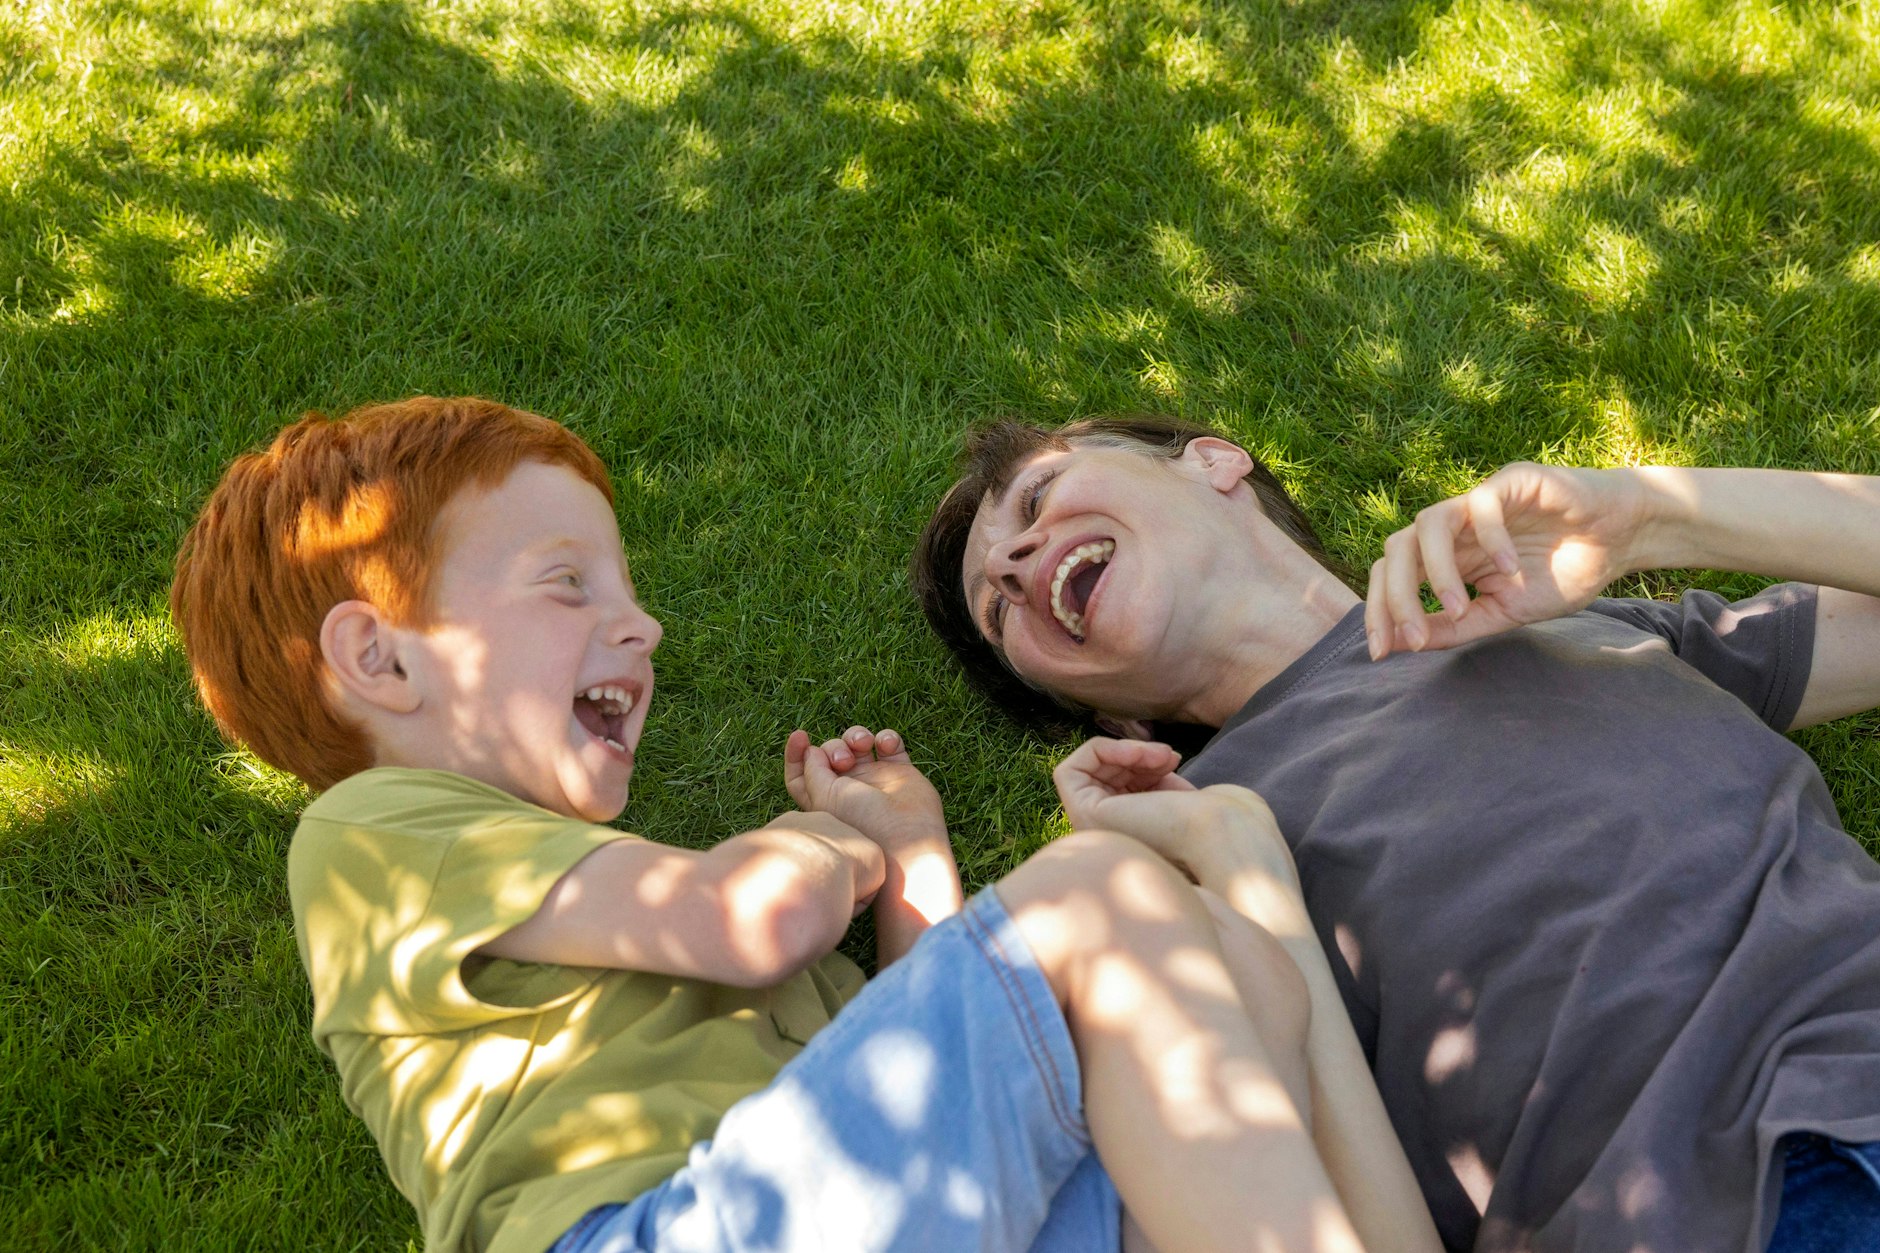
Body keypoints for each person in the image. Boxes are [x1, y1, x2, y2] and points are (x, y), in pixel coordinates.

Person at [168, 396, 1442, 1253]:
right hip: (651, 1224)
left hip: (810, 1202)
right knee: (1099, 903)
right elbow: (748, 915)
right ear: (378, 659)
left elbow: (927, 1051)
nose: (640, 625)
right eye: (569, 584)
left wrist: (913, 860)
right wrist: (836, 849)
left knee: (1237, 979)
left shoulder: (592, 912)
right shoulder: (375, 827)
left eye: (626, 589)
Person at [914, 415, 1880, 1253]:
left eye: (1037, 496)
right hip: (1738, 1210)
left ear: (1212, 461)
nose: (1010, 563)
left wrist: (1642, 516)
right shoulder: (1194, 846)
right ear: (1111, 721)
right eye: (1000, 612)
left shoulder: (1575, 620)